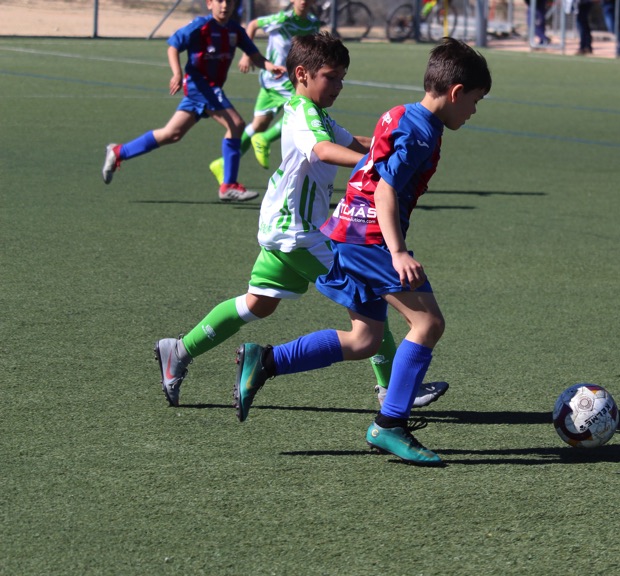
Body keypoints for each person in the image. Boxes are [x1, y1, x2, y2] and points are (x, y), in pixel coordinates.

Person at [232, 38, 492, 466]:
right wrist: (398, 251)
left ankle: (267, 360)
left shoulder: (400, 113)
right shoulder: (422, 132)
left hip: (346, 230)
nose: (474, 112)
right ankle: (390, 426)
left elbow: (371, 162)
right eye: (475, 102)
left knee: (366, 338)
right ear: (456, 92)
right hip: (370, 237)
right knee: (427, 323)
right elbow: (387, 189)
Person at [155, 33, 449, 409]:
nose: (339, 86)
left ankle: (178, 350)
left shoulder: (315, 113)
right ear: (302, 74)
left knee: (258, 304)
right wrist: (378, 163)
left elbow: (353, 141)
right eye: (332, 76)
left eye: (343, 78)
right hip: (302, 234)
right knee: (370, 291)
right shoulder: (301, 114)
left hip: (285, 227)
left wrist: (386, 143)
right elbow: (324, 150)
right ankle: (392, 387)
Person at [102, 0, 283, 202]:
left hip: (210, 89)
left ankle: (119, 151)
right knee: (236, 124)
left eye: (229, 2)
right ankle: (228, 185)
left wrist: (270, 66)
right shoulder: (200, 26)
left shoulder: (235, 30)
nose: (224, 6)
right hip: (200, 87)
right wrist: (177, 73)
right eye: (220, 1)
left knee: (172, 134)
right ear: (209, 4)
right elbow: (173, 45)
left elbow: (256, 56)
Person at [209, 0, 320, 186]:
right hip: (278, 78)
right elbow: (252, 25)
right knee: (305, 109)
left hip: (279, 80)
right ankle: (265, 139)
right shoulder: (281, 19)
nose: (303, 1)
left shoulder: (312, 24)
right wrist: (246, 55)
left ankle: (223, 163)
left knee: (258, 124)